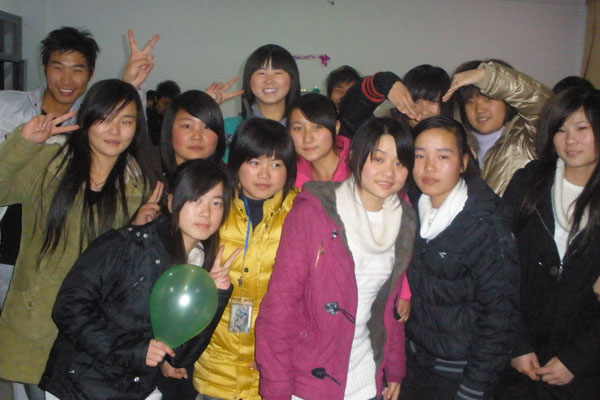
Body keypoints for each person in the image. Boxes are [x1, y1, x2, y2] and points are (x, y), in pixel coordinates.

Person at [39, 159, 238, 400]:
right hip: (81, 386)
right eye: (195, 199)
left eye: (216, 203)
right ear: (171, 201)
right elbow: (68, 309)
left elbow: (181, 356)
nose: (206, 212)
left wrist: (216, 294)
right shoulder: (126, 245)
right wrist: (134, 350)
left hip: (136, 388)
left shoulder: (199, 267)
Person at [0, 79, 151, 396]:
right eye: (105, 119)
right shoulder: (49, 162)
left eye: (126, 121)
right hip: (38, 318)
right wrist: (23, 143)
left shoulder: (140, 184)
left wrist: (137, 230)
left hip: (97, 330)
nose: (115, 130)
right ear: (87, 119)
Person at [255, 117, 415, 400]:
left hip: (366, 377)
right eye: (378, 159)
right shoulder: (314, 213)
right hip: (309, 380)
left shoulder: (403, 220)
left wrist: (394, 368)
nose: (389, 172)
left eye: (400, 163)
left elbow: (389, 307)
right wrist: (277, 391)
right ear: (354, 157)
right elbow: (279, 308)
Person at [401, 116, 519, 400]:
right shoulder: (409, 207)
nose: (429, 167)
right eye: (420, 155)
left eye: (443, 156)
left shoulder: (485, 224)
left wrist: (473, 389)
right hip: (413, 363)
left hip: (459, 373)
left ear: (464, 161)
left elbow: (499, 316)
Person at [497, 87, 600, 399]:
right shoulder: (527, 184)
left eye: (582, 128)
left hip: (584, 369)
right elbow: (497, 266)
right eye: (561, 129)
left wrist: (578, 358)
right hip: (517, 361)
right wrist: (516, 343)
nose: (571, 140)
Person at [193, 118, 298, 400]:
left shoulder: (302, 212)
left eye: (276, 164)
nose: (264, 174)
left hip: (275, 366)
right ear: (236, 162)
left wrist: (280, 355)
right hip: (217, 365)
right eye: (254, 162)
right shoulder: (213, 207)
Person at [442, 59, 552, 195]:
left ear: (507, 101)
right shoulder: (458, 146)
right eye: (470, 102)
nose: (480, 109)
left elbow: (545, 105)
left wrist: (488, 77)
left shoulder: (525, 139)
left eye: (488, 99)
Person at [223, 44, 300, 160]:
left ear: (292, 79)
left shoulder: (303, 130)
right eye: (261, 73)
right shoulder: (229, 128)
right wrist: (208, 104)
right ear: (249, 79)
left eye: (278, 73)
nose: (269, 81)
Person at [287, 93, 351, 189]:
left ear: (336, 127)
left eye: (317, 127)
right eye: (298, 128)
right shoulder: (288, 175)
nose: (307, 139)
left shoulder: (360, 166)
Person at [147, 80, 181, 145]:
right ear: (156, 98)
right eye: (166, 103)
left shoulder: (172, 119)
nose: (168, 108)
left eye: (172, 105)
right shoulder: (145, 115)